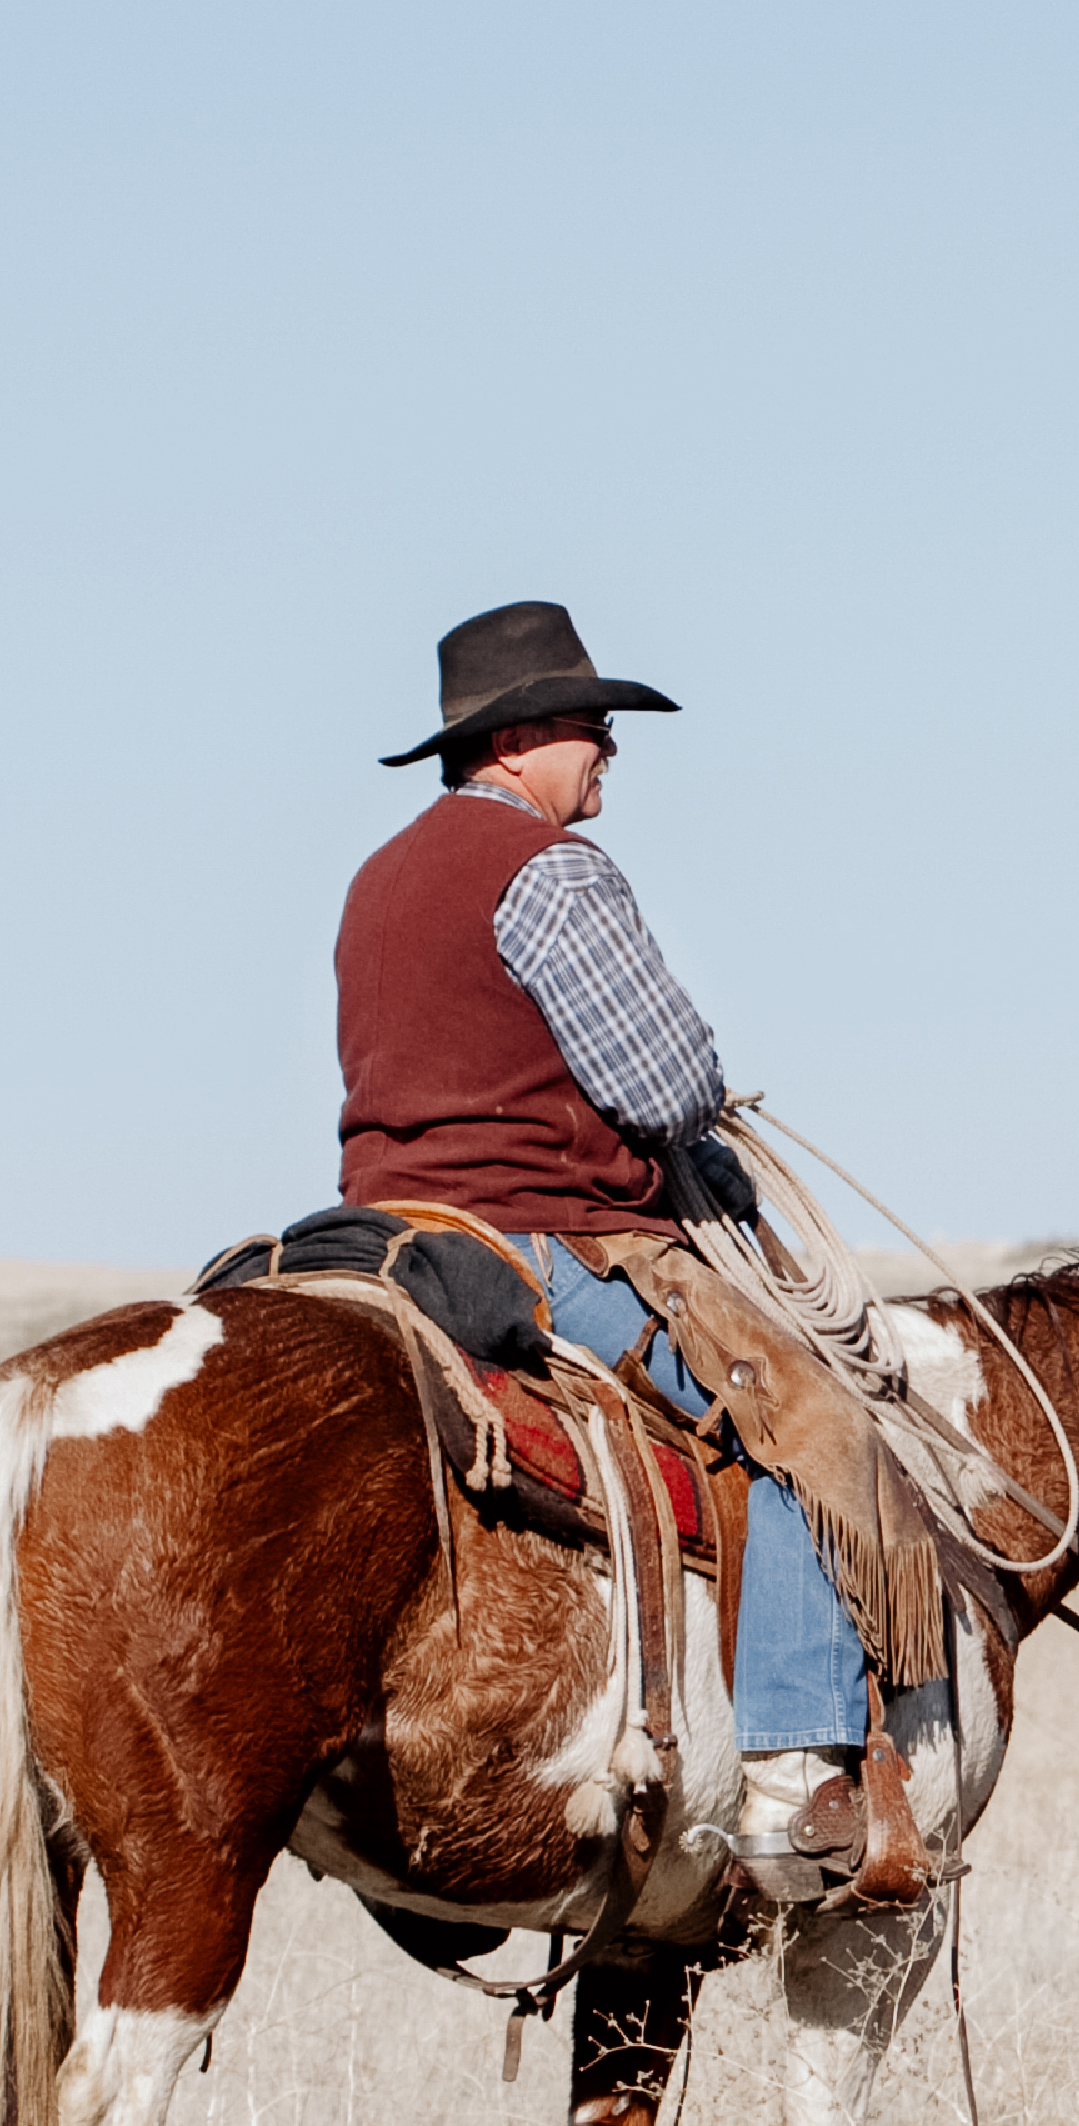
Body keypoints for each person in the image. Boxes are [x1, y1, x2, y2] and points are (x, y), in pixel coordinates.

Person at [332, 599, 935, 1907]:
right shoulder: (551, 872)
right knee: (801, 1425)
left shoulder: (379, 877)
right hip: (541, 1237)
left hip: (385, 1237)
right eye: (591, 725)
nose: (610, 748)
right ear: (519, 741)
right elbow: (666, 1083)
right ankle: (789, 1768)